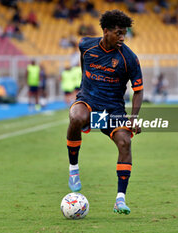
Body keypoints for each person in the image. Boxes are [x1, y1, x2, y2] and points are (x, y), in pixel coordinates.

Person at [65, 10, 143, 215]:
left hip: (113, 110)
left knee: (125, 142)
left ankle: (120, 200)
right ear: (105, 31)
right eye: (118, 33)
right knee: (77, 117)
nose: (122, 37)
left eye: (124, 33)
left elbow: (138, 90)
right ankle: (73, 170)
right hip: (88, 102)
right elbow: (85, 67)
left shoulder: (129, 58)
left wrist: (133, 119)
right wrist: (84, 89)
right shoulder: (86, 45)